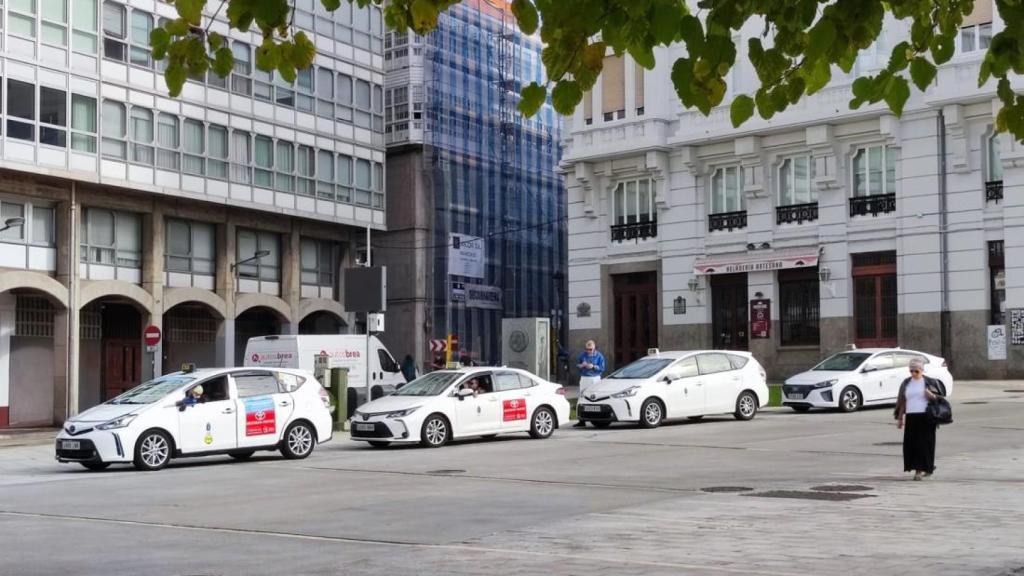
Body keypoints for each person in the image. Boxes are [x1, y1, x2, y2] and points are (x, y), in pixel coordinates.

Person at [894, 357, 944, 480]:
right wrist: (900, 418)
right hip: (911, 417)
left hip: (926, 417)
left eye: (916, 371)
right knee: (912, 444)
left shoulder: (929, 382)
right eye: (911, 371)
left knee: (925, 444)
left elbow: (940, 399)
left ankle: (919, 471)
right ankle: (927, 467)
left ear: (922, 370)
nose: (913, 373)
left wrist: (931, 396)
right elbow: (902, 400)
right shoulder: (906, 383)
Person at [575, 340, 606, 427]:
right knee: (582, 396)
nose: (588, 351)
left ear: (594, 348)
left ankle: (598, 418)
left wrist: (593, 366)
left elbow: (602, 368)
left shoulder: (599, 356)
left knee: (596, 397)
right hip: (585, 377)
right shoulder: (582, 355)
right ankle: (581, 420)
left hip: (595, 378)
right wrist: (582, 365)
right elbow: (577, 365)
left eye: (590, 349)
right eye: (587, 349)